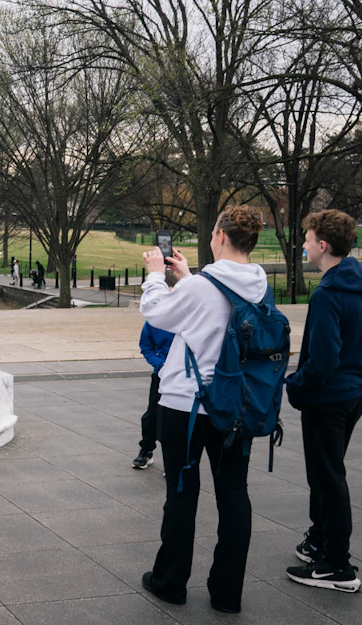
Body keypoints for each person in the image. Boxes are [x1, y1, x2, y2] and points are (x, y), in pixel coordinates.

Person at [138, 205, 268, 613]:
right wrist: (190, 278)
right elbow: (220, 314)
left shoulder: (201, 287)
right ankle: (227, 592)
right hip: (237, 406)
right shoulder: (261, 285)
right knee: (233, 495)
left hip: (186, 405)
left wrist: (156, 275)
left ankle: (171, 581)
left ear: (221, 237)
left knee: (181, 492)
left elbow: (156, 313)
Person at [284, 210, 362, 593]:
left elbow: (322, 359)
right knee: (326, 472)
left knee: (328, 477)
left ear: (322, 246)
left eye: (307, 240)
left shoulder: (326, 294)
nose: (303, 245)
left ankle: (337, 566)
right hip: (355, 392)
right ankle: (320, 541)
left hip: (329, 396)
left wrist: (296, 385)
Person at [134, 294, 175, 470]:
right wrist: (160, 365)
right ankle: (146, 450)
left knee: (177, 419)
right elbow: (146, 347)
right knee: (152, 415)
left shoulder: (189, 317)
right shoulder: (153, 321)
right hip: (162, 373)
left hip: (185, 375)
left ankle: (174, 459)